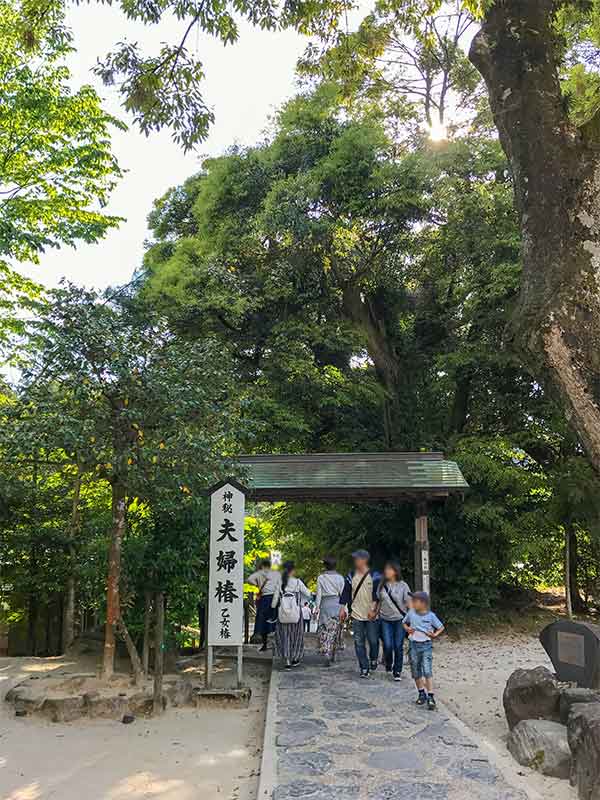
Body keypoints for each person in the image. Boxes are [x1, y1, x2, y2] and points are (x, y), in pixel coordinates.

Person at [339, 549, 381, 678]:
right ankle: (364, 667)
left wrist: (374, 610)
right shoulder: (351, 575)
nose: (355, 561)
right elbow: (345, 592)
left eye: (357, 558)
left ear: (364, 560)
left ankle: (373, 658)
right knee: (359, 642)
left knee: (373, 641)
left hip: (371, 615)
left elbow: (378, 595)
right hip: (356, 614)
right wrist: (342, 609)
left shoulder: (375, 575)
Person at [403, 591, 445, 710]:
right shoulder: (411, 613)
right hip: (413, 645)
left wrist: (434, 634)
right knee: (416, 671)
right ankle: (421, 693)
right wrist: (407, 629)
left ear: (423, 603)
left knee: (427, 670)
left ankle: (431, 696)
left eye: (414, 601)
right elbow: (404, 623)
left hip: (426, 645)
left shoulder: (431, 616)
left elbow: (441, 627)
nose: (412, 603)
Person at [374, 561, 411, 681]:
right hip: (385, 619)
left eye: (389, 569)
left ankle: (397, 671)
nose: (386, 571)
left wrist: (412, 618)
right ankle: (388, 663)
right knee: (388, 645)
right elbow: (379, 601)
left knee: (398, 645)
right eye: (386, 569)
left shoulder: (403, 585)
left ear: (395, 571)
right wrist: (375, 613)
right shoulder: (382, 585)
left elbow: (408, 603)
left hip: (400, 620)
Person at [271, 560, 312, 668]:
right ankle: (295, 658)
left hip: (283, 614)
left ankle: (287, 660)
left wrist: (273, 608)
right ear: (293, 570)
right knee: (296, 636)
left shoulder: (280, 582)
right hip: (296, 614)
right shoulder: (298, 582)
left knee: (285, 636)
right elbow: (308, 593)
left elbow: (275, 600)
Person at [315, 556, 345, 665]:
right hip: (337, 604)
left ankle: (326, 652)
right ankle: (333, 653)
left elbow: (319, 595)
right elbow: (343, 595)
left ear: (325, 566)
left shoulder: (321, 578)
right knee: (335, 629)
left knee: (325, 629)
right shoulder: (341, 578)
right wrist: (344, 608)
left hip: (325, 604)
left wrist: (317, 608)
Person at [247, 558, 281, 652]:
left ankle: (265, 644)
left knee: (262, 621)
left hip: (263, 599)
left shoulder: (259, 574)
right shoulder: (276, 574)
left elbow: (249, 579)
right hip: (273, 598)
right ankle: (273, 644)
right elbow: (279, 587)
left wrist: (258, 585)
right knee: (272, 621)